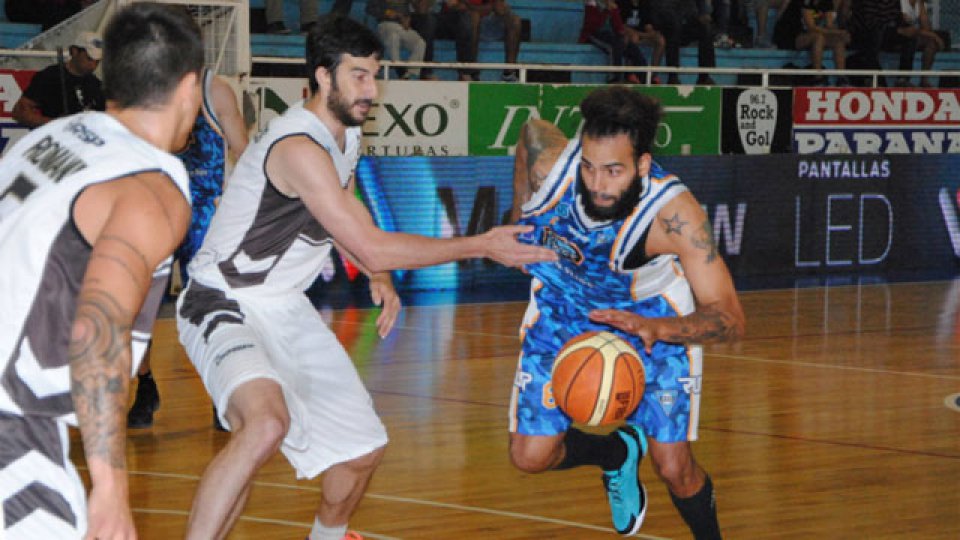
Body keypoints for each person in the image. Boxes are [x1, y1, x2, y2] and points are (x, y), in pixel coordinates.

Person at [174, 15, 554, 540]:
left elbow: (347, 209)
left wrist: (378, 272)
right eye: (358, 75)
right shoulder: (297, 146)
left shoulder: (345, 136)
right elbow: (370, 239)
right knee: (263, 424)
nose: (371, 90)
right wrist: (482, 243)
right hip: (223, 300)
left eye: (375, 75)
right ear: (323, 76)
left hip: (283, 305)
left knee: (362, 450)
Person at [0, 3, 203, 538]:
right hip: (14, 436)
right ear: (191, 89)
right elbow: (99, 332)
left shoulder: (42, 141)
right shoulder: (151, 186)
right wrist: (111, 491)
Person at [507, 86, 745, 537]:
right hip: (564, 309)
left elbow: (730, 319)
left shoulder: (674, 215)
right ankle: (615, 453)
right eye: (590, 167)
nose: (597, 184)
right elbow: (528, 134)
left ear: (642, 165)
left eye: (614, 171)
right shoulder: (550, 165)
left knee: (673, 467)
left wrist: (657, 328)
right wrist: (522, 216)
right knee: (529, 457)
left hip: (650, 316)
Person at [126, 68, 250, 430]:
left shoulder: (217, 91)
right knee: (140, 310)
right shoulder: (146, 86)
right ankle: (145, 385)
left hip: (205, 217)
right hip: (157, 212)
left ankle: (219, 392)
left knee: (211, 310)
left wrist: (243, 208)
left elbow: (243, 151)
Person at [11, 31, 106, 129]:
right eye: (89, 59)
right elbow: (19, 113)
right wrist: (55, 124)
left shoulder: (97, 84)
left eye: (97, 61)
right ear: (74, 51)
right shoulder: (50, 76)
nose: (93, 65)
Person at [773, 0, 850, 86]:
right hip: (790, 35)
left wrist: (841, 33)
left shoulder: (827, 2)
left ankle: (841, 78)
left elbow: (829, 25)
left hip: (808, 35)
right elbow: (811, 26)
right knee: (818, 38)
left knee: (838, 41)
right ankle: (818, 77)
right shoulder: (805, 2)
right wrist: (837, 32)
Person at [443, 0, 522, 81]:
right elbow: (455, 6)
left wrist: (471, 6)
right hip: (460, 20)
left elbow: (499, 7)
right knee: (473, 17)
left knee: (514, 21)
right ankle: (470, 71)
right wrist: (485, 8)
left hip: (488, 19)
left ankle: (509, 73)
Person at [646, 0, 717, 85]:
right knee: (674, 28)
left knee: (706, 29)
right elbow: (656, 7)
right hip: (666, 20)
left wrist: (703, 13)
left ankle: (704, 77)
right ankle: (673, 78)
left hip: (687, 19)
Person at [579, 0, 649, 84]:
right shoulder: (592, 3)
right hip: (593, 33)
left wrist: (623, 35)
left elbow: (618, 27)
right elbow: (593, 25)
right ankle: (614, 78)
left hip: (611, 35)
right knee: (615, 46)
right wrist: (607, 11)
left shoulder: (612, 5)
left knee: (631, 47)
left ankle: (644, 78)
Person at [410, 0, 476, 81]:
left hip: (445, 18)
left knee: (464, 18)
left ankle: (465, 72)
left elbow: (462, 6)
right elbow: (420, 9)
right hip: (421, 17)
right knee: (429, 20)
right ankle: (426, 72)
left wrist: (455, 5)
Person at [366, 0, 428, 79]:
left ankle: (411, 73)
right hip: (385, 24)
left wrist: (407, 18)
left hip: (402, 26)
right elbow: (369, 9)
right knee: (394, 35)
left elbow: (410, 10)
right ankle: (398, 66)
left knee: (420, 43)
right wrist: (388, 13)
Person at [891, 0, 944, 87]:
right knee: (911, 39)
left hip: (910, 35)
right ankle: (902, 79)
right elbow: (906, 29)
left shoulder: (919, 4)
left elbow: (926, 28)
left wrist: (921, 7)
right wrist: (935, 36)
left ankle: (924, 80)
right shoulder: (900, 3)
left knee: (931, 44)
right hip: (892, 36)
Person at [617, 0, 667, 82]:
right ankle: (630, 73)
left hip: (641, 34)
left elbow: (648, 26)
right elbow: (621, 26)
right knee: (633, 38)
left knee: (660, 41)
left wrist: (649, 33)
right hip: (626, 34)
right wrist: (641, 34)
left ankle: (652, 75)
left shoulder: (645, 4)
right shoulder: (622, 4)